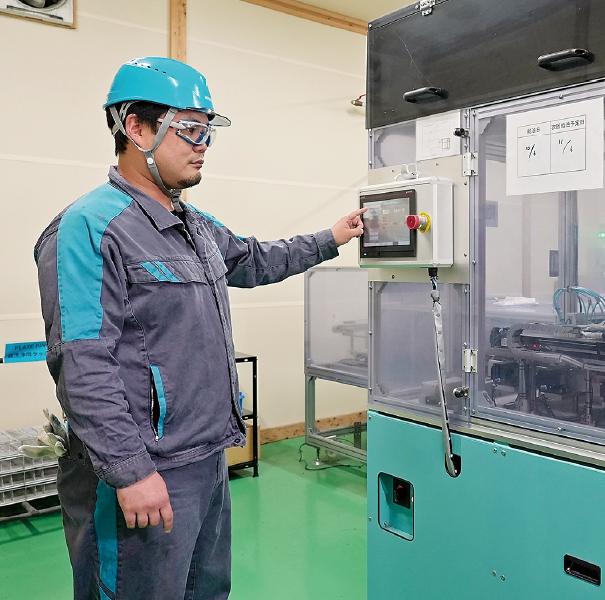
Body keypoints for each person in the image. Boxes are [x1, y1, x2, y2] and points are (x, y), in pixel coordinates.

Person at [33, 56, 365, 600]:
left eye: (208, 130)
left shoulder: (192, 224)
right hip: (143, 471)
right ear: (136, 128)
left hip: (205, 458)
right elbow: (83, 362)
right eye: (189, 128)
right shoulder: (89, 229)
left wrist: (332, 237)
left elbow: (253, 259)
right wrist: (130, 471)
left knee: (205, 591)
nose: (203, 144)